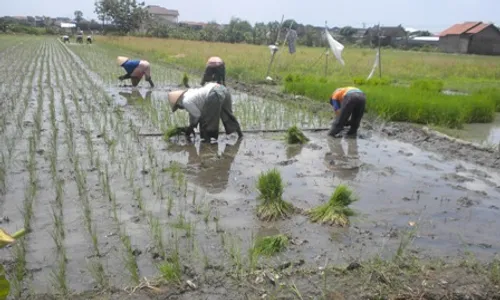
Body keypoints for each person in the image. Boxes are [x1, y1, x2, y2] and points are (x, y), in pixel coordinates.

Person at [168, 82, 243, 143]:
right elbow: (193, 115)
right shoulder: (190, 93)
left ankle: (207, 145)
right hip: (222, 89)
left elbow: (198, 116)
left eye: (178, 107)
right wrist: (191, 127)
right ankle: (240, 135)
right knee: (227, 115)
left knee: (205, 122)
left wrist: (189, 129)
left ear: (178, 103)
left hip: (214, 94)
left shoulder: (185, 102)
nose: (180, 109)